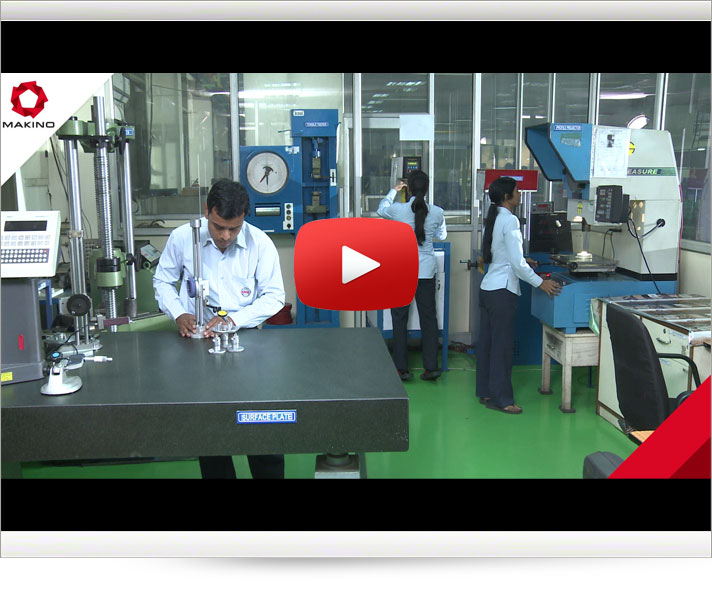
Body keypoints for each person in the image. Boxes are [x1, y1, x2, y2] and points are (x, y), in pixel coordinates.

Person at [153, 178, 286, 478]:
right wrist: (179, 312)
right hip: (198, 345)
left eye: (234, 229)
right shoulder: (182, 238)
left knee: (262, 430)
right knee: (210, 433)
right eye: (218, 227)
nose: (225, 236)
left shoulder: (260, 243)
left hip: (248, 346)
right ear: (207, 211)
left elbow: (275, 296)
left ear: (244, 218)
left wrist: (234, 320)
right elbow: (162, 281)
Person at [476, 176, 561, 414]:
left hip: (488, 289)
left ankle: (485, 391)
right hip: (502, 292)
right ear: (507, 197)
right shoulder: (511, 220)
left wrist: (523, 260)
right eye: (517, 191)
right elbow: (516, 264)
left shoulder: (494, 218)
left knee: (487, 344)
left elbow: (502, 254)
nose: (519, 194)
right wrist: (540, 283)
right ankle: (502, 400)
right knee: (502, 348)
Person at [377, 170, 447, 381]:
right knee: (429, 318)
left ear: (408, 189)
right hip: (426, 271)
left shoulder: (398, 210)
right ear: (427, 188)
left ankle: (401, 369)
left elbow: (381, 210)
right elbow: (442, 234)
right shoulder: (437, 212)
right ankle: (431, 367)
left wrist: (394, 190)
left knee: (399, 319)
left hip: (402, 271)